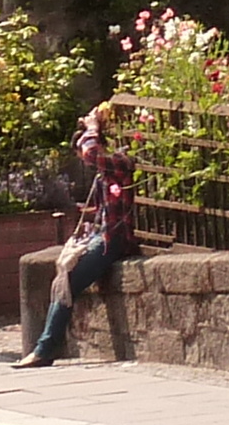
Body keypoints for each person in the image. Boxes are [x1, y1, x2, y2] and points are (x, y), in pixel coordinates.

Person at [14, 107, 137, 369]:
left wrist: (91, 127)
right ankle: (43, 347)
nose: (84, 160)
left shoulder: (120, 163)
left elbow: (92, 154)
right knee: (63, 276)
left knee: (67, 282)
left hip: (113, 240)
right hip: (103, 236)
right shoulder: (107, 172)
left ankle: (44, 350)